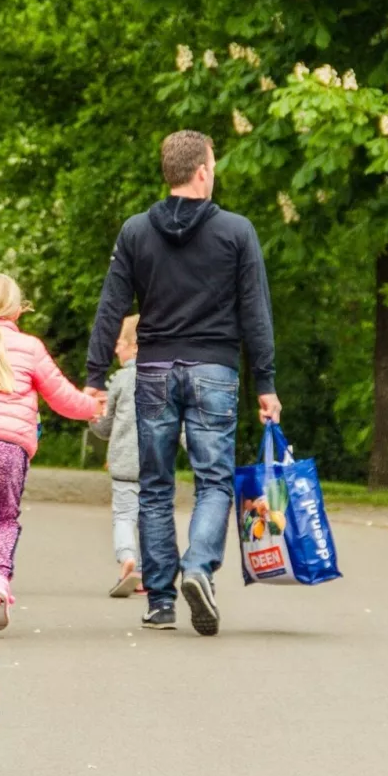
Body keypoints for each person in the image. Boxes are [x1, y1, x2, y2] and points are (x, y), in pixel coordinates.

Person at [83, 130, 281, 637]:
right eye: (212, 165)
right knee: (213, 480)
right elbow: (255, 312)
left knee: (154, 486)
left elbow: (112, 306)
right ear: (201, 172)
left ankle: (162, 603)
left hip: (151, 371)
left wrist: (93, 375)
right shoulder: (236, 232)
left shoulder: (135, 232)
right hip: (214, 369)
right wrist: (266, 382)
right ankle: (198, 567)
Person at [0, 274, 97, 631]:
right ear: (19, 309)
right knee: (6, 518)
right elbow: (61, 396)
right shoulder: (30, 348)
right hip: (11, 448)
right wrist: (93, 407)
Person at [89, 315, 142, 598]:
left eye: (120, 343)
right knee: (152, 518)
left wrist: (92, 413)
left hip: (124, 464)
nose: (116, 349)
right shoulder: (166, 377)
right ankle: (149, 574)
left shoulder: (120, 380)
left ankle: (127, 558)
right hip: (155, 465)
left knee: (124, 516)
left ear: (134, 347)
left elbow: (105, 426)